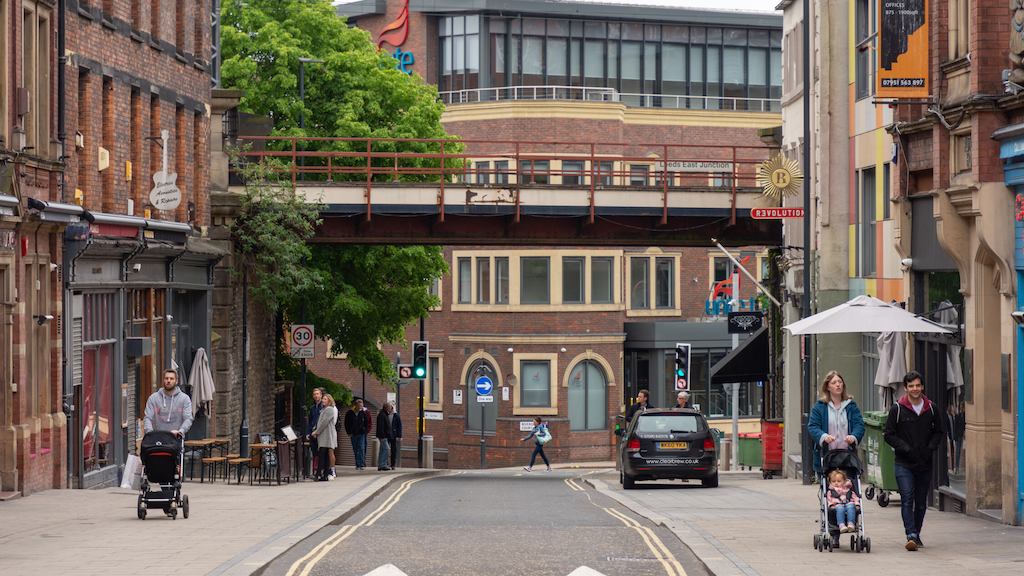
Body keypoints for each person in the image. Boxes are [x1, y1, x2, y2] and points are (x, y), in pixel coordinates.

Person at [884, 370, 944, 551]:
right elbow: (889, 434)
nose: (915, 389)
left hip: (924, 462)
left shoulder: (931, 408)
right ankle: (910, 533)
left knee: (920, 501)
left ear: (922, 387)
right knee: (907, 497)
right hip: (904, 462)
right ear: (906, 388)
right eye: (911, 386)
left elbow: (939, 432)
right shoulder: (897, 409)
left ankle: (916, 534)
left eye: (918, 385)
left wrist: (930, 448)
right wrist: (905, 448)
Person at [807, 370, 865, 479]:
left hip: (847, 456)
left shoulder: (851, 406)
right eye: (834, 383)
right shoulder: (820, 407)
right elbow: (813, 426)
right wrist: (824, 436)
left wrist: (853, 436)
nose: (838, 385)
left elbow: (859, 425)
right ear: (827, 387)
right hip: (828, 455)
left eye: (840, 382)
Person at [143, 369, 194, 438]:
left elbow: (188, 418)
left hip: (176, 438)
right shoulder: (153, 398)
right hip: (156, 439)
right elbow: (148, 418)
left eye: (171, 379)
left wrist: (181, 431)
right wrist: (150, 433)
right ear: (163, 380)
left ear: (176, 381)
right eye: (166, 378)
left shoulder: (184, 399)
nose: (169, 381)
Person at [311, 393, 338, 481]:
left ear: (329, 401)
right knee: (324, 455)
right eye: (323, 399)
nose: (323, 400)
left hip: (327, 435)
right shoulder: (324, 409)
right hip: (323, 435)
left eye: (325, 399)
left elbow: (324, 423)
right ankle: (324, 475)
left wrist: (316, 432)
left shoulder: (329, 409)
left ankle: (319, 474)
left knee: (323, 455)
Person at [344, 397, 371, 470]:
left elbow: (367, 422)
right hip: (353, 433)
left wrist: (365, 431)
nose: (360, 408)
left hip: (361, 433)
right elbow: (346, 423)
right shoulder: (350, 413)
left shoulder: (363, 413)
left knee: (361, 448)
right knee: (355, 449)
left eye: (361, 406)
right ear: (355, 405)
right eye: (359, 406)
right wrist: (348, 432)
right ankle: (357, 463)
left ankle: (361, 464)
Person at [306, 388, 323, 478]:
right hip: (312, 434)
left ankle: (320, 471)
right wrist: (308, 433)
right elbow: (310, 421)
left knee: (321, 453)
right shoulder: (313, 408)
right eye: (314, 394)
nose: (316, 396)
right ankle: (315, 471)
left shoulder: (323, 407)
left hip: (320, 433)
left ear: (321, 395)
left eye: (318, 394)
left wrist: (317, 431)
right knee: (314, 452)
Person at [375, 402, 393, 471]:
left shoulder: (384, 414)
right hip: (383, 436)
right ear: (386, 407)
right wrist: (383, 435)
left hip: (384, 435)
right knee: (386, 449)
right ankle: (383, 464)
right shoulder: (382, 415)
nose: (390, 408)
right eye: (389, 407)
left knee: (382, 450)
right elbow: (381, 426)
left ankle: (381, 465)